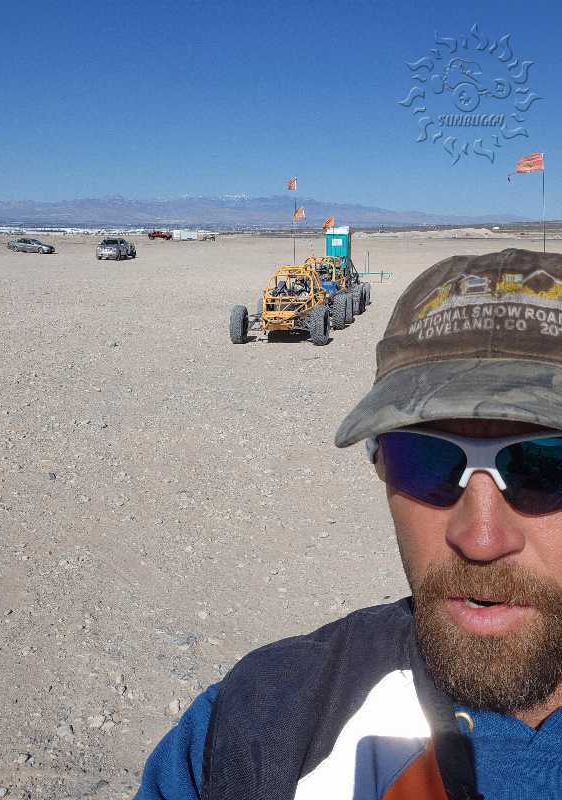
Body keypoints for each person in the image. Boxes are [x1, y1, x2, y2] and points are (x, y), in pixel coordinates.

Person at [135, 248, 562, 799]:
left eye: (546, 465)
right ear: (380, 464)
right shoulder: (257, 729)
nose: (479, 539)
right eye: (426, 459)